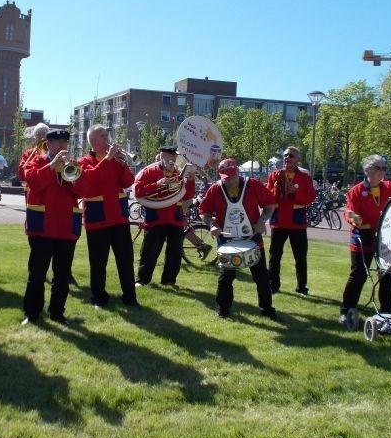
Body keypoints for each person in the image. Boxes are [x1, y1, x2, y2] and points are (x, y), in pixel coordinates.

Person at [21, 129, 90, 325]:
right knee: (37, 273)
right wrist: (52, 167)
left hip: (66, 227)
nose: (61, 146)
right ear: (48, 144)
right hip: (41, 226)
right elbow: (33, 182)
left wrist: (74, 175)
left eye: (64, 142)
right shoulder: (37, 161)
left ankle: (57, 313)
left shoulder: (73, 164)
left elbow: (84, 190)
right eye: (57, 142)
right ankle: (32, 313)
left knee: (61, 275)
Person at [199, 158, 277, 319]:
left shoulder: (253, 185)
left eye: (233, 176)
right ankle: (223, 310)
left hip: (252, 239)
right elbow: (204, 212)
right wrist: (212, 224)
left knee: (261, 276)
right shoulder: (215, 190)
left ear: (238, 173)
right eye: (226, 178)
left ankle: (267, 310)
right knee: (226, 278)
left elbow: (270, 205)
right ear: (221, 176)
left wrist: (262, 221)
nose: (230, 180)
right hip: (227, 241)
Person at [340, 154, 391, 324]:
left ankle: (387, 311)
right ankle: (347, 309)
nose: (382, 172)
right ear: (367, 170)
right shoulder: (356, 191)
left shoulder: (389, 187)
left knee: (387, 274)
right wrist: (354, 218)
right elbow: (349, 212)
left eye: (384, 168)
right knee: (359, 274)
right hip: (362, 237)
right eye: (378, 168)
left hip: (385, 238)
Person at [77, 125, 138, 308]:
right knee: (98, 262)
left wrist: (122, 163)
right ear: (93, 141)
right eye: (103, 136)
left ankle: (130, 297)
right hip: (97, 218)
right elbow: (90, 180)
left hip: (119, 217)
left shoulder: (116, 160)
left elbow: (128, 182)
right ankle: (98, 297)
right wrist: (109, 159)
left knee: (126, 260)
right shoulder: (84, 161)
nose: (107, 138)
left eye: (107, 135)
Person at [133, 146, 195, 287]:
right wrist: (158, 184)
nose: (173, 160)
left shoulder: (179, 173)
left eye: (174, 157)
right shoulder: (149, 171)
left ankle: (169, 281)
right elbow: (138, 191)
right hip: (156, 217)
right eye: (170, 157)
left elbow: (188, 195)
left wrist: (190, 181)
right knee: (150, 251)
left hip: (175, 217)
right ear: (162, 156)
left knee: (175, 253)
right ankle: (142, 280)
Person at [267, 146, 316, 295]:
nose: (287, 157)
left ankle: (302, 287)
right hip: (279, 220)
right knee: (274, 256)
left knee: (300, 257)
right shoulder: (274, 175)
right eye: (286, 155)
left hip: (297, 221)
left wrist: (296, 192)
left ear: (297, 159)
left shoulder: (304, 177)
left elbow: (310, 197)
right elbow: (267, 198)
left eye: (291, 155)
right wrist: (275, 189)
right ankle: (273, 286)